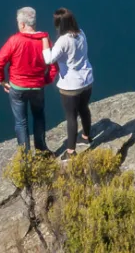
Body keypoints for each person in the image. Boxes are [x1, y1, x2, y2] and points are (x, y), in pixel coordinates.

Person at [0, 7, 57, 153]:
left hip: (17, 88)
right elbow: (54, 64)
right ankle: (41, 150)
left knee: (21, 122)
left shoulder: (14, 41)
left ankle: (25, 157)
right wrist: (46, 79)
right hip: (37, 87)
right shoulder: (44, 40)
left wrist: (1, 80)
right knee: (39, 117)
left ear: (22, 24)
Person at [40, 8, 94, 156]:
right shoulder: (81, 33)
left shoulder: (63, 40)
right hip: (87, 80)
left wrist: (45, 42)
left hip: (71, 86)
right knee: (84, 109)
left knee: (71, 116)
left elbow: (49, 59)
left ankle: (70, 151)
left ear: (60, 24)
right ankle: (86, 137)